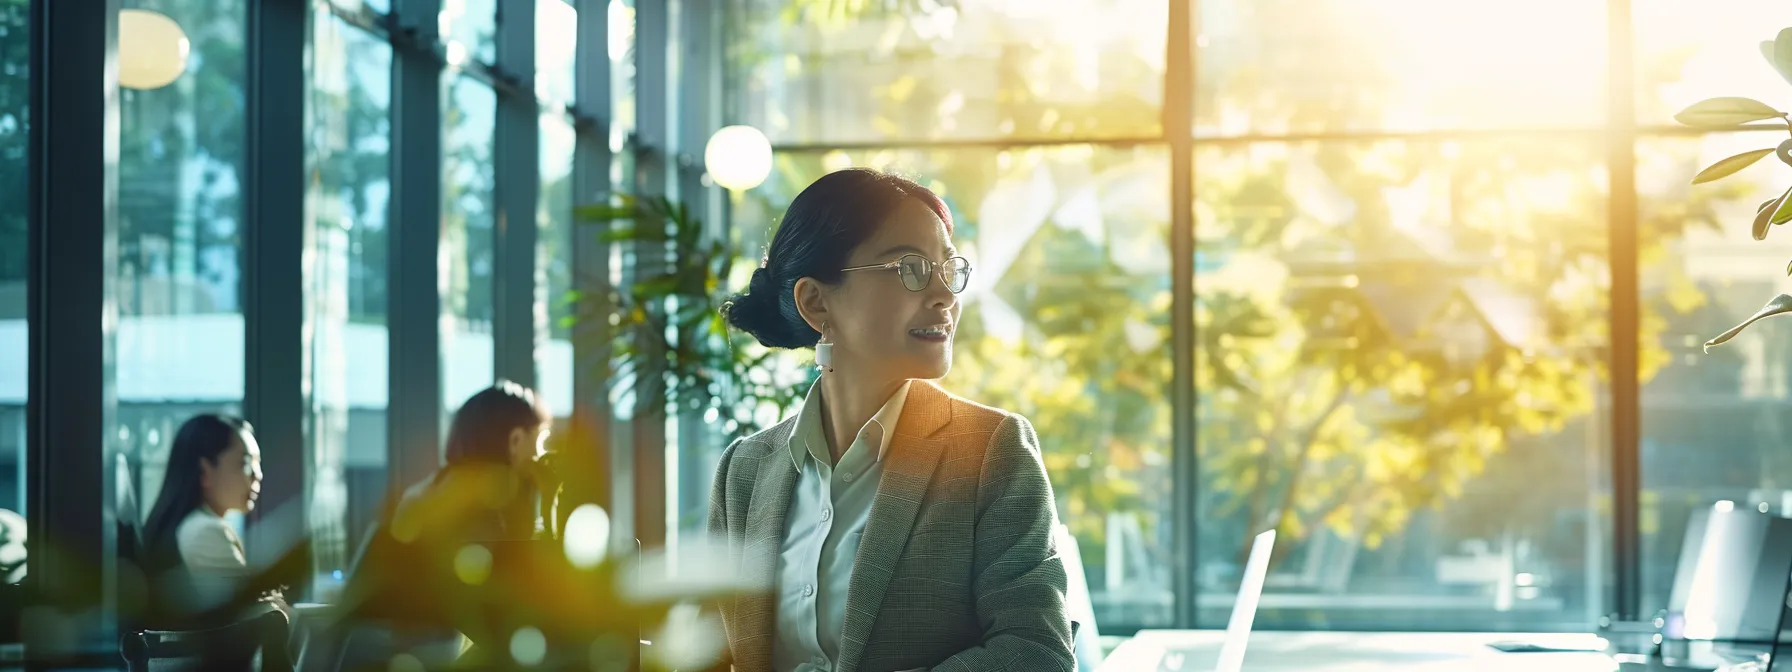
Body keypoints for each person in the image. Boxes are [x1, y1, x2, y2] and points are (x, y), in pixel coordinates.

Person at [709, 168, 1074, 672]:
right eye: (911, 268)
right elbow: (709, 651)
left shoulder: (992, 450)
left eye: (949, 269)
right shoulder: (744, 472)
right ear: (816, 301)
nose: (945, 295)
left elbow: (1036, 652)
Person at [332, 380, 554, 667]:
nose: (545, 454)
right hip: (416, 655)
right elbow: (512, 604)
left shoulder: (434, 487)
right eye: (543, 440)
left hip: (373, 654)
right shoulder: (489, 494)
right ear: (515, 441)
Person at [139, 413, 265, 623]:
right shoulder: (204, 531)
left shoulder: (195, 526)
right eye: (245, 464)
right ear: (204, 471)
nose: (257, 474)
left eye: (257, 463)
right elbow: (258, 615)